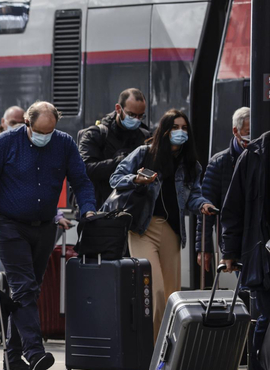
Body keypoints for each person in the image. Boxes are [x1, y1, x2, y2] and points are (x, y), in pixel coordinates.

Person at [0, 101, 97, 370]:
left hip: (44, 226)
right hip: (7, 225)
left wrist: (87, 210)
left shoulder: (63, 143)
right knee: (24, 286)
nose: (45, 137)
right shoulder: (5, 143)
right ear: (27, 123)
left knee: (27, 292)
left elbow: (81, 181)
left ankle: (13, 360)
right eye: (40, 131)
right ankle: (34, 350)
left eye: (50, 131)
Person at [110, 109, 215, 340]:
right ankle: (152, 349)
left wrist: (203, 205)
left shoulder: (191, 165)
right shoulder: (144, 153)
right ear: (164, 130)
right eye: (175, 127)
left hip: (171, 231)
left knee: (171, 295)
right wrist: (136, 179)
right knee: (154, 291)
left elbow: (193, 197)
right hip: (142, 229)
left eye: (184, 128)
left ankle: (167, 348)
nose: (180, 132)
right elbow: (115, 178)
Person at [221, 131, 270, 367]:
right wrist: (229, 251)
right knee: (266, 314)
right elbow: (234, 207)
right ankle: (258, 363)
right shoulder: (255, 154)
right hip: (264, 254)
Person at [196, 107, 250, 269]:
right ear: (236, 131)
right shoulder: (219, 163)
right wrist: (204, 248)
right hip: (236, 242)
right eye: (248, 131)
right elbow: (207, 208)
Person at [79, 88, 150, 208]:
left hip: (133, 208)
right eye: (131, 115)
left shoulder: (145, 137)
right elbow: (85, 169)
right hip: (100, 208)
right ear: (118, 109)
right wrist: (121, 162)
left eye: (140, 116)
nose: (136, 120)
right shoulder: (96, 134)